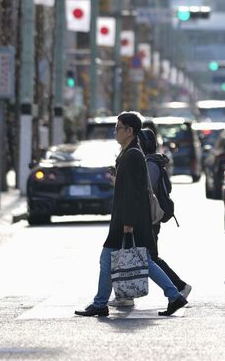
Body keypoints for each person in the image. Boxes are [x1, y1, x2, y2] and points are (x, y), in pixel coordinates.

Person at [76, 113, 188, 317]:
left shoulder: (134, 155)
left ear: (130, 131)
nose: (115, 132)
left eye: (119, 128)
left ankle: (101, 303)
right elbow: (128, 187)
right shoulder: (127, 153)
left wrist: (128, 224)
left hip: (129, 220)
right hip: (126, 218)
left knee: (123, 259)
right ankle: (174, 296)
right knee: (141, 260)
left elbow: (134, 193)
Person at [109, 129, 191, 309]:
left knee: (147, 257)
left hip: (145, 218)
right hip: (141, 217)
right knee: (142, 256)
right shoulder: (146, 161)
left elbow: (144, 190)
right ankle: (127, 295)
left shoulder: (149, 163)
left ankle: (178, 288)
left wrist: (120, 181)